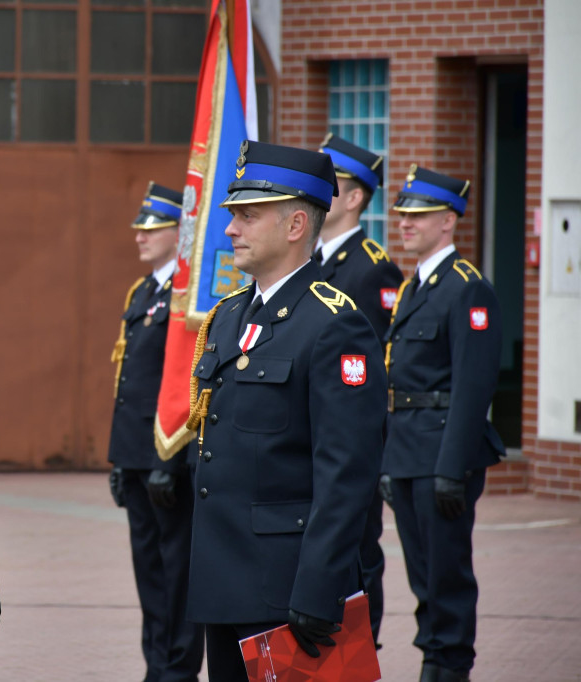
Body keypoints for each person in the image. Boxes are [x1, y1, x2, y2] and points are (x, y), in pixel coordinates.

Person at [184, 140, 387, 680]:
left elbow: (347, 474)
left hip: (288, 592)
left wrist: (320, 588)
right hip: (223, 585)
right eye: (233, 217)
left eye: (247, 216)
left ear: (296, 224)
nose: (231, 230)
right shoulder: (228, 316)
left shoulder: (333, 324)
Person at [381, 165, 504, 682]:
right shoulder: (414, 288)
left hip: (440, 455)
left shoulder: (466, 288)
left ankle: (448, 664)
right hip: (408, 451)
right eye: (404, 214)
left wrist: (451, 467)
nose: (406, 223)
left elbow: (473, 386)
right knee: (422, 575)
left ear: (449, 220)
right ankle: (435, 655)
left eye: (420, 215)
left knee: (446, 573)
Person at [108, 182, 204, 682]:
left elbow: (184, 384)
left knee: (176, 573)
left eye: (153, 228)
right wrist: (120, 461)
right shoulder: (142, 292)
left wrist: (169, 461)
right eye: (140, 228)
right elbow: (129, 382)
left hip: (167, 458)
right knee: (148, 574)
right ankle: (156, 667)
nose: (141, 237)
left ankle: (178, 670)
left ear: (180, 232)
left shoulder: (187, 299)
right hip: (135, 457)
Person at [315, 133, 404, 646]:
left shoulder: (372, 268)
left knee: (357, 556)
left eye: (331, 185)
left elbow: (373, 372)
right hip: (315, 437)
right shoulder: (312, 262)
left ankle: (358, 654)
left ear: (354, 199)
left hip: (351, 443)